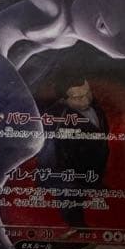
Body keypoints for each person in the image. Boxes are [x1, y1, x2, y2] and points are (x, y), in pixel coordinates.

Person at [39, 73, 110, 230]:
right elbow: (51, 153)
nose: (85, 100)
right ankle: (77, 225)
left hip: (92, 163)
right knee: (71, 200)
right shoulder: (56, 118)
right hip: (68, 171)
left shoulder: (95, 107)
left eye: (87, 93)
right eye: (78, 97)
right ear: (64, 100)